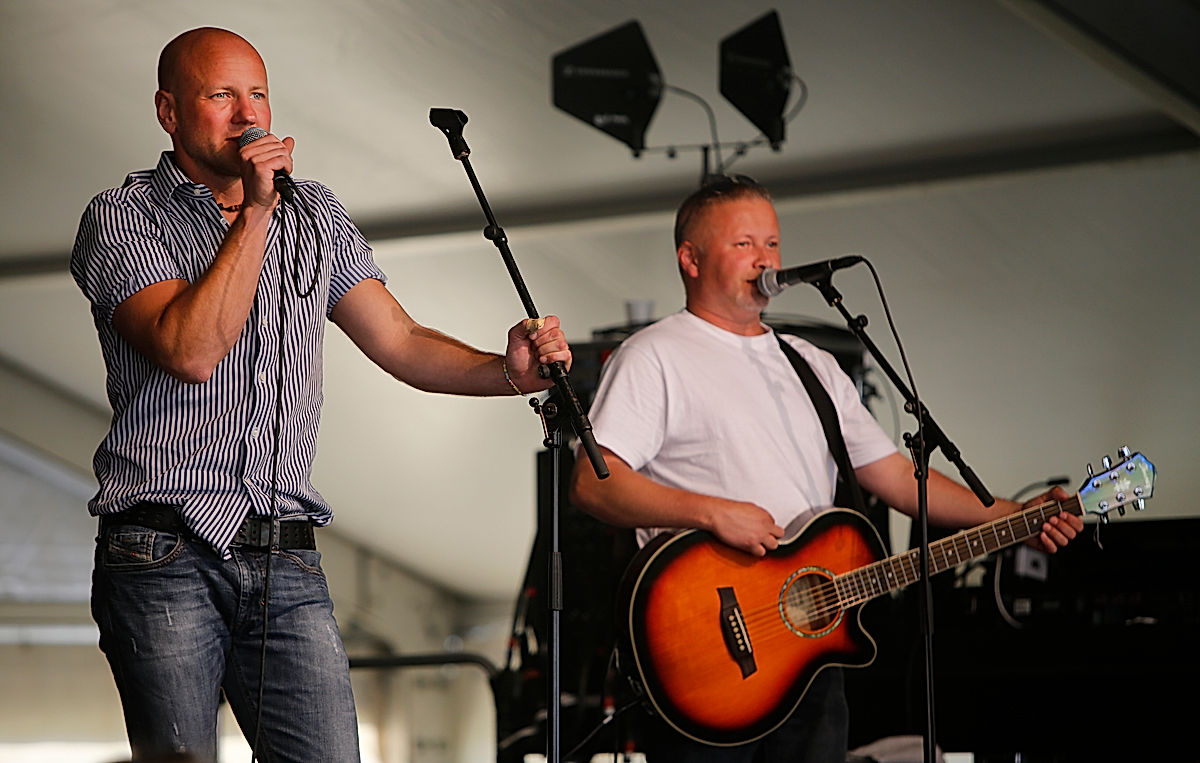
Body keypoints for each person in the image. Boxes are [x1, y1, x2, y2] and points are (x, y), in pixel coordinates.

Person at [70, 27, 572, 763]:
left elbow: (399, 340)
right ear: (167, 111)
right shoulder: (122, 216)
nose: (249, 115)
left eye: (259, 94)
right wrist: (257, 214)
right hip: (163, 549)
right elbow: (191, 349)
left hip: (286, 552)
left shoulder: (317, 214)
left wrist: (507, 370)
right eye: (221, 96)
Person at [568, 175, 1082, 762]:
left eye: (772, 244)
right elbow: (591, 482)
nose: (764, 260)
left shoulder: (810, 364)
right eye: (743, 245)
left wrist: (1019, 515)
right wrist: (713, 512)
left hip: (808, 655)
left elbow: (895, 478)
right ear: (690, 258)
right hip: (704, 656)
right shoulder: (655, 355)